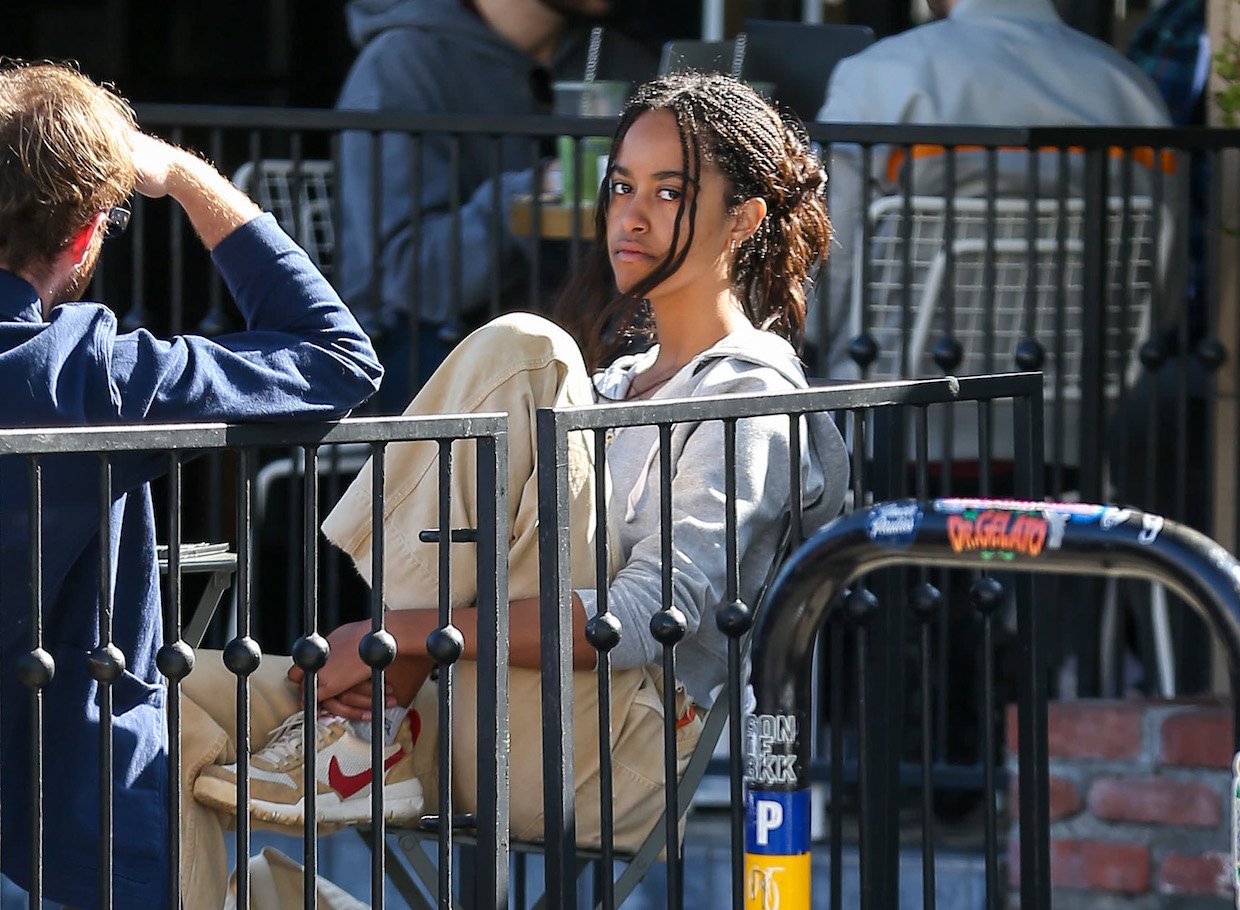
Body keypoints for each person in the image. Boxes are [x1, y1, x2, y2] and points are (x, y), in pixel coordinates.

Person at [182, 72, 850, 909]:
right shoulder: (611, 387)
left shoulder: (750, 394)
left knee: (529, 350)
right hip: (467, 702)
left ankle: (367, 721)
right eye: (620, 187)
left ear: (745, 218)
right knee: (161, 714)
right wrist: (410, 648)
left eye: (670, 193)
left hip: (608, 751)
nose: (632, 215)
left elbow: (651, 613)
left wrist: (402, 636)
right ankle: (365, 729)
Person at [0, 61, 383, 910]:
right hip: (72, 810)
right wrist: (177, 174)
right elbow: (337, 357)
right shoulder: (90, 374)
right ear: (87, 235)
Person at [813, 0, 1174, 378]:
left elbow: (830, 244)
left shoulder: (880, 73)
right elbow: (1162, 267)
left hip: (891, 379)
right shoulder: (1129, 88)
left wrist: (801, 335)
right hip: (1079, 382)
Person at [335, 0, 656, 412]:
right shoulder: (399, 66)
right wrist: (531, 192)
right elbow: (411, 273)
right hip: (421, 345)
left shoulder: (618, 60)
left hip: (577, 340)